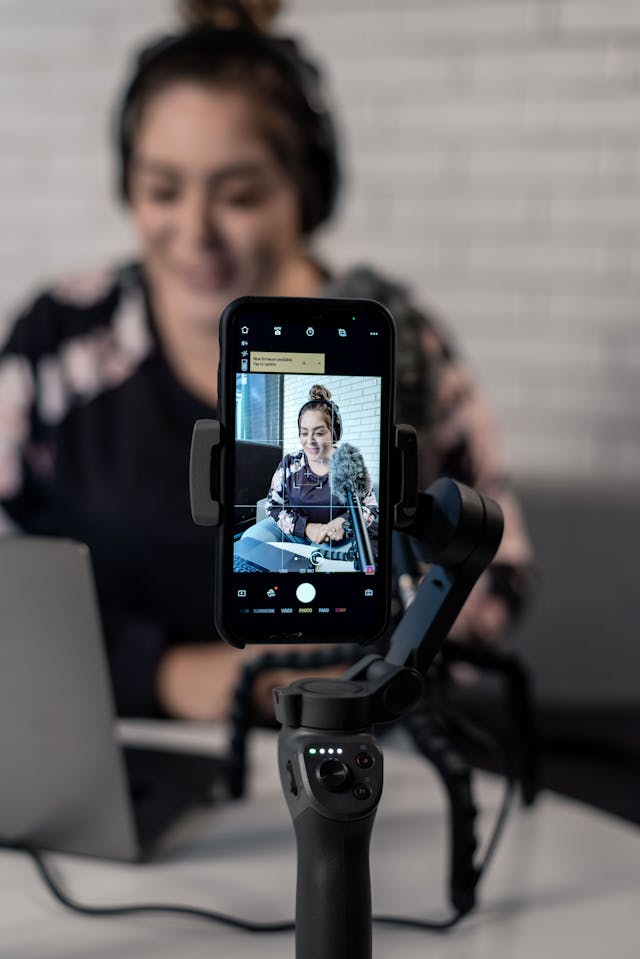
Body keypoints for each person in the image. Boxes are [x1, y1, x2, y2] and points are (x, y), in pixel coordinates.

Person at [0, 0, 533, 722]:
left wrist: (352, 665)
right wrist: (169, 674)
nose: (194, 232)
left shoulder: (398, 350)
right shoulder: (59, 342)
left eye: (241, 195)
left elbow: (495, 577)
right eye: (162, 190)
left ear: (304, 196)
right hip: (107, 740)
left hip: (341, 743)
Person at [240, 384, 378, 563]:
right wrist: (306, 528)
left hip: (331, 537)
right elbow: (273, 505)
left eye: (319, 433)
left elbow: (370, 507)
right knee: (250, 542)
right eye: (304, 433)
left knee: (319, 561)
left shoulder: (350, 463)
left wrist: (343, 523)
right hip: (291, 531)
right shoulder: (290, 462)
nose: (310, 441)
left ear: (333, 433)